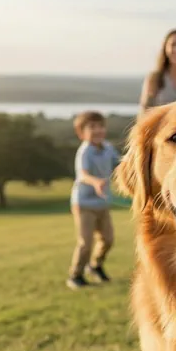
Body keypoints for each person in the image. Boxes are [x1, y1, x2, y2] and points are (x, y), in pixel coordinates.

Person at [66, 110, 121, 290]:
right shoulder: (84, 152)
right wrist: (96, 182)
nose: (98, 130)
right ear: (81, 133)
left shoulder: (108, 148)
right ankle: (75, 276)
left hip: (102, 204)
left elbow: (119, 164)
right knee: (86, 243)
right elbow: (83, 175)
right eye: (92, 127)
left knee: (108, 239)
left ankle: (95, 265)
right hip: (84, 204)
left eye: (101, 126)